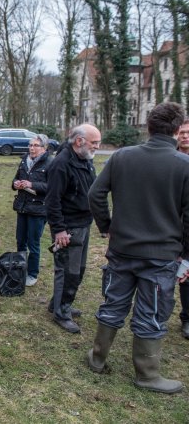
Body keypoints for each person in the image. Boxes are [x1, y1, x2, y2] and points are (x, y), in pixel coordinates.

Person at [86, 103, 189, 394]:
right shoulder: (184, 166)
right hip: (161, 255)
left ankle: (97, 358)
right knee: (152, 312)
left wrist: (107, 226)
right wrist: (186, 253)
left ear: (149, 126)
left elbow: (95, 195)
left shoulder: (122, 157)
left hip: (123, 249)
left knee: (113, 302)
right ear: (176, 129)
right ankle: (147, 375)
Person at [45, 124, 101, 333]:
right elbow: (52, 201)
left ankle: (58, 303)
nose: (97, 146)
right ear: (79, 141)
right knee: (68, 270)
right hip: (68, 227)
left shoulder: (85, 160)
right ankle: (61, 312)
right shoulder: (61, 164)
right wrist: (59, 229)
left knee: (78, 269)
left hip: (83, 224)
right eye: (94, 143)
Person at [12, 134, 53, 287]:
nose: (32, 148)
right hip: (22, 207)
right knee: (20, 241)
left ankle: (32, 274)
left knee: (33, 243)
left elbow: (53, 187)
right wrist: (16, 184)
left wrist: (32, 184)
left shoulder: (50, 163)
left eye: (36, 145)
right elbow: (15, 179)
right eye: (30, 145)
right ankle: (19, 269)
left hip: (38, 209)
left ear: (44, 148)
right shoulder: (24, 160)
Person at [177, 118, 189, 340]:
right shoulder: (171, 158)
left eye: (188, 132)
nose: (184, 136)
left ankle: (187, 317)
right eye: (181, 132)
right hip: (171, 222)